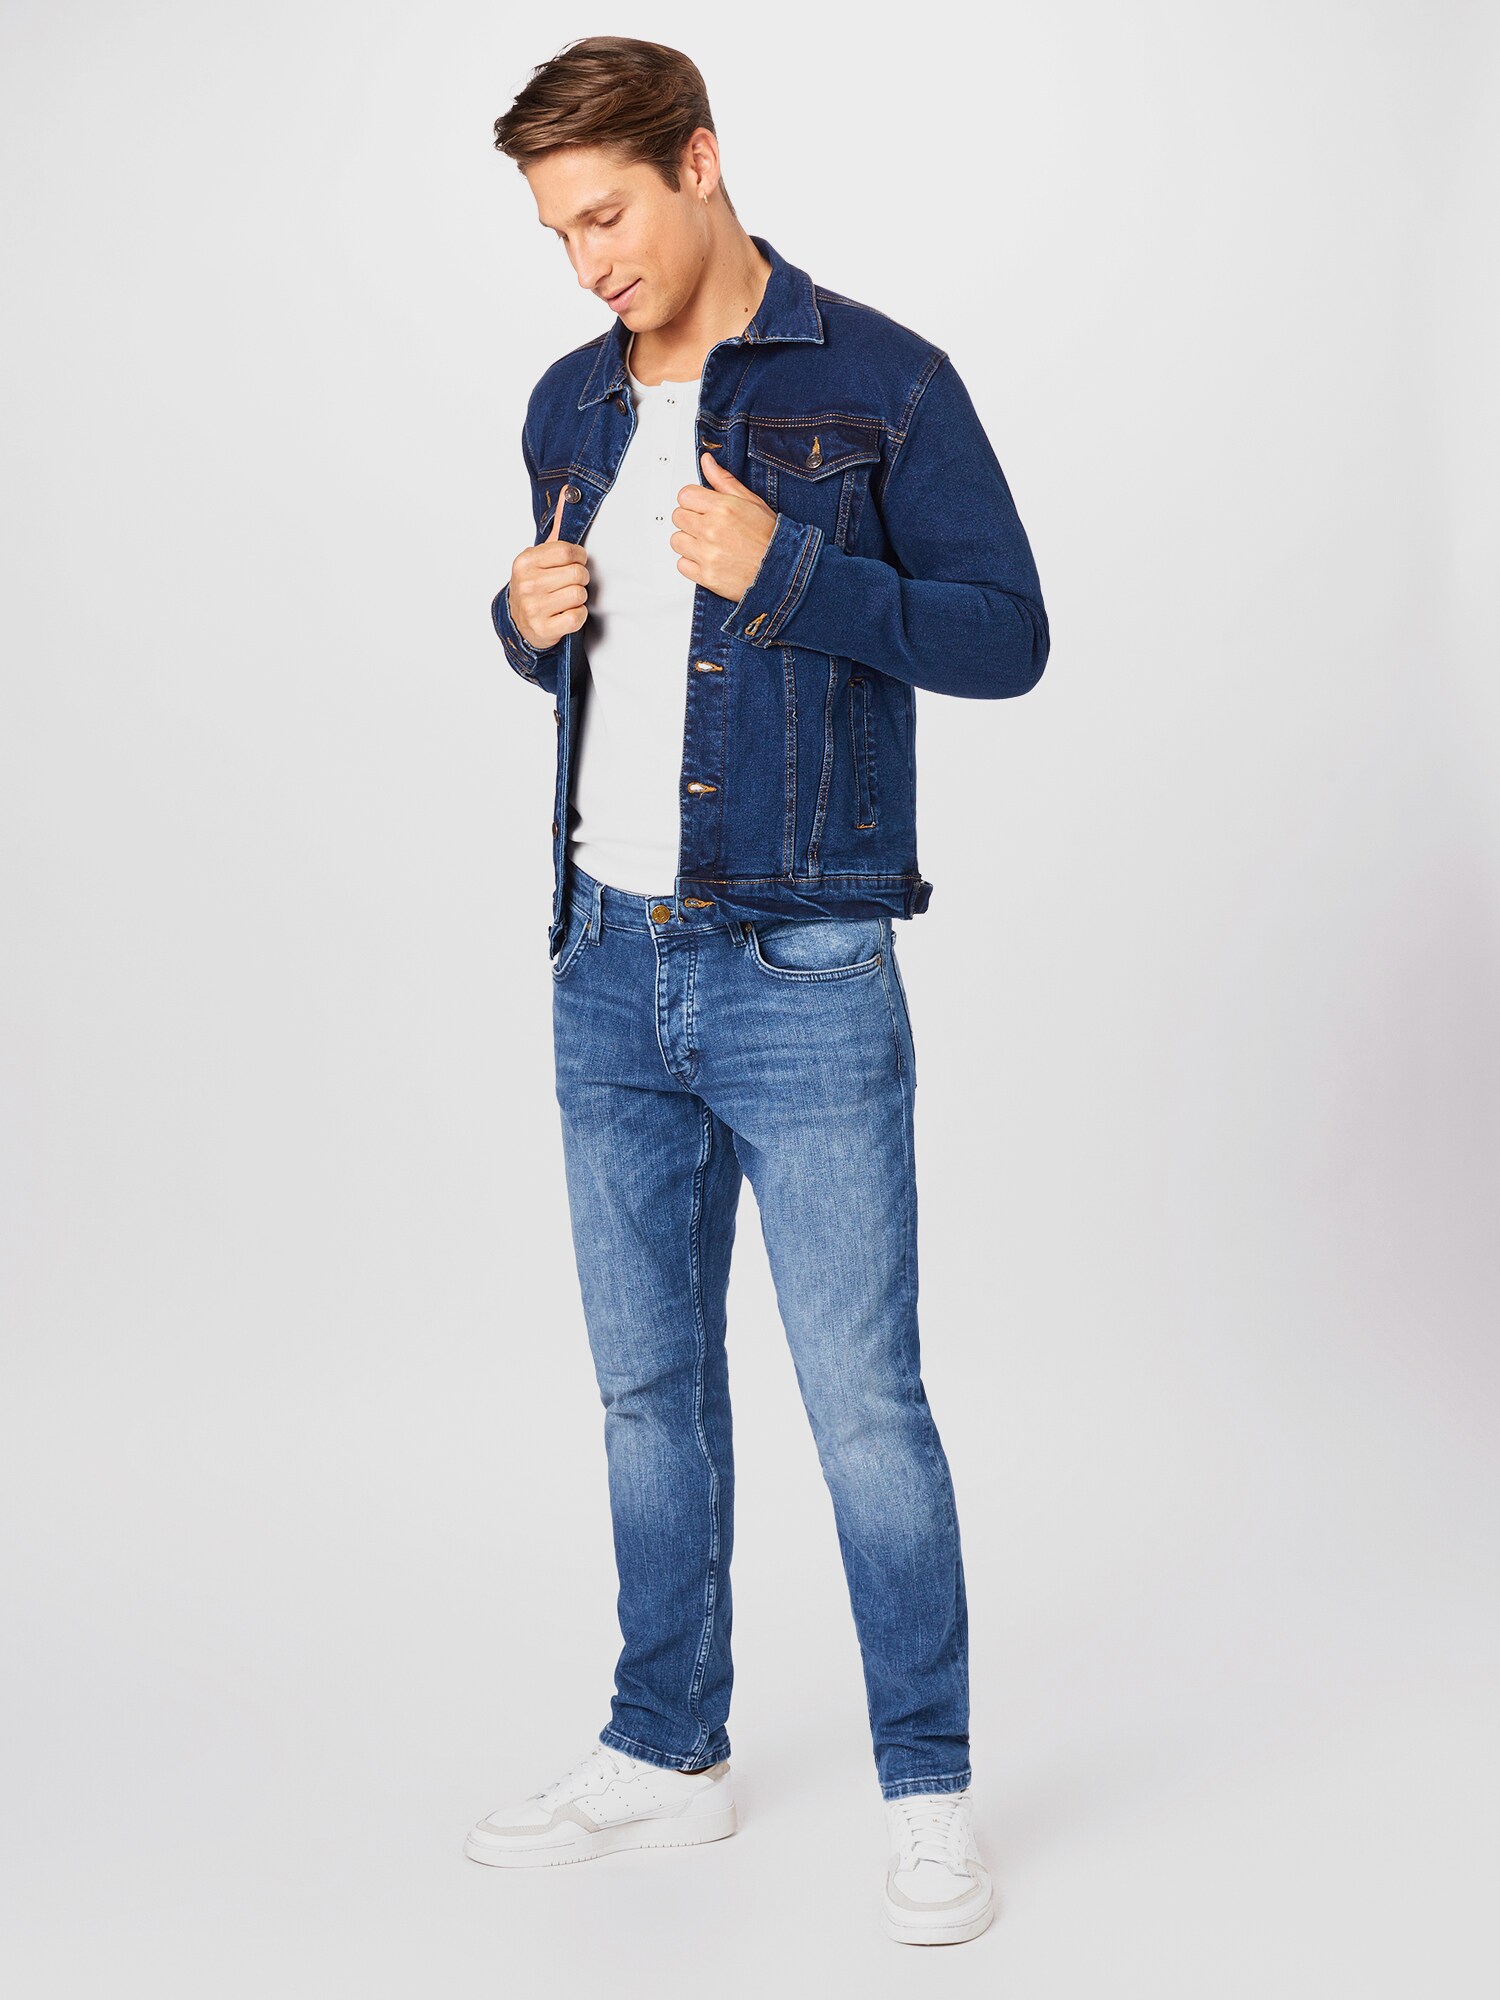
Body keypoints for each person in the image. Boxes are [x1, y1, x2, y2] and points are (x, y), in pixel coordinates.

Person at [465, 36, 1049, 1948]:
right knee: (647, 1391)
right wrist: (522, 624)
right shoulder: (569, 402)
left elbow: (1007, 637)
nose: (589, 265)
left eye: (608, 215)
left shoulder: (883, 380)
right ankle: (666, 1750)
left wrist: (792, 573)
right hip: (606, 959)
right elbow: (608, 665)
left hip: (804, 962)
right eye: (559, 235)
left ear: (700, 163)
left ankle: (929, 1790)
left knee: (863, 1402)